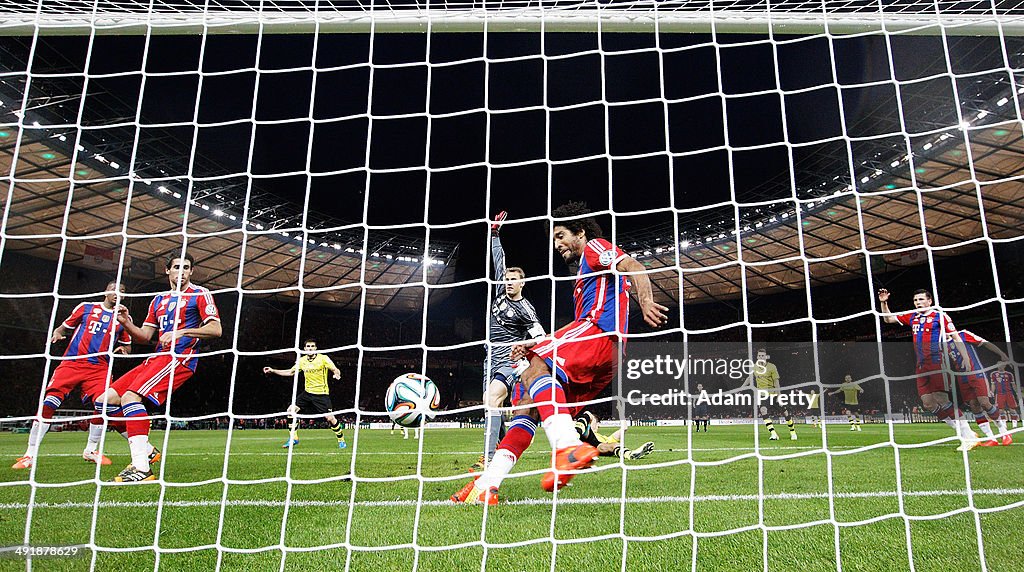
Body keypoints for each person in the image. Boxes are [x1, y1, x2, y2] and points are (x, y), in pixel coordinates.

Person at [452, 202, 668, 504]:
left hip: (599, 335)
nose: (557, 244)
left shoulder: (594, 247)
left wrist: (645, 302)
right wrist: (537, 343)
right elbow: (579, 324)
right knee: (525, 404)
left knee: (530, 365)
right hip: (603, 351)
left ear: (579, 232)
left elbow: (635, 266)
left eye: (561, 235)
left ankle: (567, 445)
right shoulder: (582, 274)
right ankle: (488, 484)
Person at [97, 253, 221, 482]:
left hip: (180, 357)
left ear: (191, 272)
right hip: (156, 358)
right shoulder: (158, 300)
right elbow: (145, 336)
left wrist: (182, 332)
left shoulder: (200, 294)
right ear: (167, 270)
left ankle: (141, 468)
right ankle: (146, 450)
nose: (181, 272)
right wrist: (126, 323)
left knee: (130, 398)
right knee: (104, 401)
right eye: (176, 267)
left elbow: (216, 329)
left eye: (186, 268)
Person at [12, 282, 131, 470]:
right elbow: (62, 328)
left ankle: (91, 450)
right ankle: (29, 454)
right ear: (106, 291)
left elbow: (128, 344)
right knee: (49, 402)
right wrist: (57, 333)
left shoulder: (123, 319)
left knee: (104, 404)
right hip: (72, 363)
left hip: (99, 368)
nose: (118, 293)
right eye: (115, 289)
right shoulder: (85, 308)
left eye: (123, 291)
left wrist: (124, 349)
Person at [471, 210, 545, 472]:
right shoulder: (500, 292)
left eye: (514, 280)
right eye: (507, 279)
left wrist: (524, 347)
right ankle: (501, 451)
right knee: (491, 406)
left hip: (508, 361)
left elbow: (541, 338)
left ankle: (489, 458)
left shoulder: (526, 309)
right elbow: (498, 259)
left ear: (522, 283)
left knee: (492, 399)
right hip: (489, 357)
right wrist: (494, 233)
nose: (509, 282)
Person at [878, 288, 976, 450]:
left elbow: (956, 337)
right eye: (916, 300)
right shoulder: (913, 317)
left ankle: (967, 435)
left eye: (921, 300)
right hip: (921, 365)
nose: (918, 303)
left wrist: (965, 357)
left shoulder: (940, 316)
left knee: (942, 399)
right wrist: (884, 302)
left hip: (937, 362)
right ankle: (965, 433)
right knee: (928, 403)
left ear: (929, 301)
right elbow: (888, 319)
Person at [264, 339, 346, 449]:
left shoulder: (323, 358)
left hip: (321, 394)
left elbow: (335, 369)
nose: (310, 348)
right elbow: (290, 372)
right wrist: (273, 370)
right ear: (305, 349)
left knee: (330, 419)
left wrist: (337, 374)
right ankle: (294, 438)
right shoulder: (302, 361)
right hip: (307, 394)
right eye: (308, 346)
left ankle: (341, 439)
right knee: (290, 411)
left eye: (312, 346)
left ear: (316, 348)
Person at [948, 330, 1010, 446]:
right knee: (974, 405)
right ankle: (991, 438)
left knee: (984, 402)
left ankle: (1004, 433)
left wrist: (1002, 355)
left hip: (976, 373)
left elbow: (985, 343)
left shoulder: (963, 334)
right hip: (962, 377)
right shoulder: (942, 343)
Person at [751, 348, 796, 441]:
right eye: (759, 355)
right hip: (763, 395)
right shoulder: (754, 367)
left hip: (773, 394)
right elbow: (750, 377)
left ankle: (793, 432)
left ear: (765, 357)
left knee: (785, 412)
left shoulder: (772, 367)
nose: (761, 357)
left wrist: (779, 396)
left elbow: (776, 382)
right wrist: (742, 387)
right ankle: (773, 434)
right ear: (757, 357)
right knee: (763, 410)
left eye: (762, 355)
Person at [574, 411, 655, 459]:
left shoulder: (606, 439)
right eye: (594, 422)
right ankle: (577, 433)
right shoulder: (588, 427)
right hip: (582, 438)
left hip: (596, 446)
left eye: (595, 422)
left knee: (615, 445)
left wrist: (621, 412)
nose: (597, 425)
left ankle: (630, 454)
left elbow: (624, 428)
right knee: (587, 414)